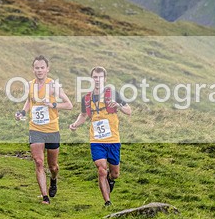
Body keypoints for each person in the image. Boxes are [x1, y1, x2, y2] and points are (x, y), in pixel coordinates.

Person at [69, 66, 131, 207]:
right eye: (95, 77)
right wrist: (75, 124)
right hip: (96, 140)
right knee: (101, 169)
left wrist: (119, 106)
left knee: (114, 173)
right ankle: (107, 202)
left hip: (113, 139)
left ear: (105, 79)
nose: (97, 80)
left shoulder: (113, 93)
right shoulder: (87, 98)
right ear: (92, 78)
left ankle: (111, 180)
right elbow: (83, 115)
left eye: (100, 77)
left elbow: (129, 110)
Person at [15, 55, 73, 204]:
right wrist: (22, 112)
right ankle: (45, 197)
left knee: (53, 166)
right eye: (37, 68)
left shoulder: (53, 86)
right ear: (33, 69)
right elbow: (29, 101)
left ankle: (53, 179)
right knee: (39, 161)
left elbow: (69, 105)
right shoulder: (30, 85)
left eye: (42, 68)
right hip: (35, 128)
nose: (39, 70)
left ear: (47, 69)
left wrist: (53, 105)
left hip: (52, 129)